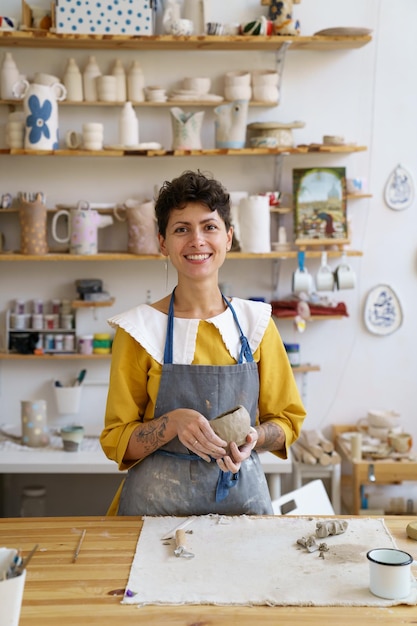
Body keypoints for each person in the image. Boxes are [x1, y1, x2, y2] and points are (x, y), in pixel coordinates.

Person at [100, 170, 306, 516]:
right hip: (154, 510)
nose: (197, 240)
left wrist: (253, 437)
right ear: (163, 242)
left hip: (241, 506)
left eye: (209, 227)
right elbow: (117, 441)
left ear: (228, 237)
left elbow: (287, 423)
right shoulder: (139, 330)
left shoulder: (256, 324)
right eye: (182, 229)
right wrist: (171, 424)